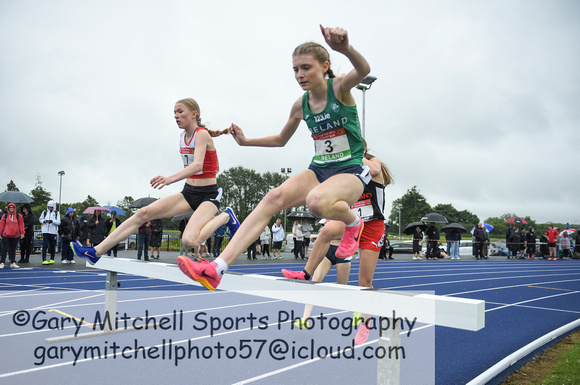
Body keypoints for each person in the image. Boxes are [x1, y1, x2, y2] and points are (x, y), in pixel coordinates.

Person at [178, 25, 372, 290]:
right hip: (319, 169)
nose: (300, 75)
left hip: (350, 169)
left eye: (306, 67)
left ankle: (353, 222)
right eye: (295, 69)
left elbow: (364, 71)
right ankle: (217, 268)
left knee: (315, 202)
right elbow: (281, 140)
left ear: (325, 66)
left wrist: (345, 49)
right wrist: (246, 141)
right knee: (272, 198)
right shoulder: (300, 105)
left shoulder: (339, 88)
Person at [72, 98, 239, 265]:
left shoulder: (201, 134)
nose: (176, 115)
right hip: (189, 193)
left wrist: (169, 179)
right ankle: (96, 251)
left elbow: (197, 165)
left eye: (180, 111)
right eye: (174, 112)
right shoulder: (182, 136)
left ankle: (226, 216)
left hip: (208, 195)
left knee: (189, 241)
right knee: (142, 213)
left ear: (194, 114)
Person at [283, 147, 393, 345]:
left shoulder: (372, 163)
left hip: (373, 226)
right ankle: (306, 273)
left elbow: (374, 171)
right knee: (325, 232)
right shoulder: (351, 171)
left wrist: (355, 157)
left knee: (364, 282)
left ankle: (365, 323)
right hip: (354, 222)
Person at [0, 203, 25, 269]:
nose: (11, 208)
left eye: (13, 207)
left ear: (15, 208)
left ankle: (12, 262)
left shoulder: (18, 216)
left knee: (13, 249)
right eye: (10, 207)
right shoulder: (5, 215)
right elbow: (1, 225)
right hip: (6, 234)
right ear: (8, 208)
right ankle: (2, 262)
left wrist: (22, 233)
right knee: (4, 249)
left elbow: (21, 225)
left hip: (15, 235)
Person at [39, 200, 61, 265]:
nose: (50, 208)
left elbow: (59, 222)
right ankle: (44, 259)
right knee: (45, 245)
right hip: (45, 231)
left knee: (52, 246)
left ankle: (52, 258)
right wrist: (44, 221)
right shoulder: (44, 212)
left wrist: (52, 221)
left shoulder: (57, 213)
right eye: (49, 207)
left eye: (51, 207)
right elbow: (40, 219)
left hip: (53, 232)